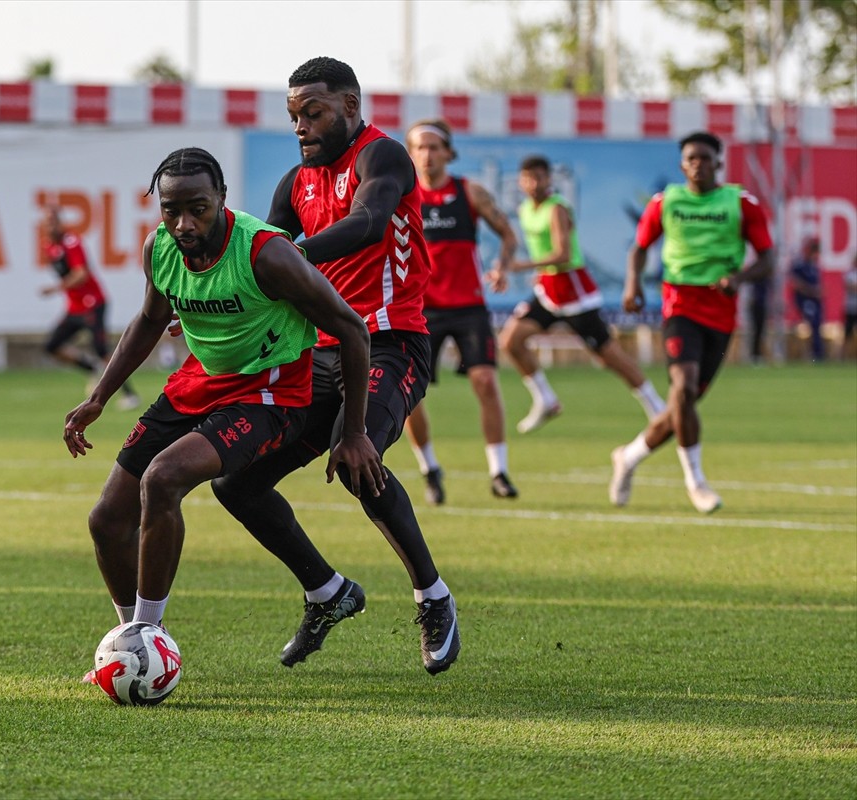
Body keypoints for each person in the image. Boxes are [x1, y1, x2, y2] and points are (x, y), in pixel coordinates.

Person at [63, 148, 379, 656]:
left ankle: (149, 636)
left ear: (222, 199)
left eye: (198, 208)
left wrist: (355, 430)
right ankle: (131, 642)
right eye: (171, 210)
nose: (184, 223)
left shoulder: (268, 254)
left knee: (163, 478)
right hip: (199, 380)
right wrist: (100, 396)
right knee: (106, 520)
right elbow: (149, 319)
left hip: (270, 390)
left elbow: (351, 328)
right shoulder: (160, 248)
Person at [210, 57, 461, 676]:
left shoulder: (384, 158)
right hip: (316, 355)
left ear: (350, 105)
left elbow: (368, 222)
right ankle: (327, 592)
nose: (301, 126)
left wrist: (290, 254)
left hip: (391, 343)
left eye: (314, 112)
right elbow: (254, 257)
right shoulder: (295, 183)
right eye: (294, 115)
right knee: (233, 481)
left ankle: (434, 597)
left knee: (355, 457)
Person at [610, 131, 774, 514]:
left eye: (705, 157)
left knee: (681, 407)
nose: (697, 164)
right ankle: (696, 483)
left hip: (720, 312)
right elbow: (639, 247)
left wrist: (739, 279)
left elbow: (767, 258)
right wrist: (632, 283)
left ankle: (628, 457)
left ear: (719, 162)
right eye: (690, 159)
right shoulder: (667, 201)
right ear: (682, 165)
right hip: (679, 306)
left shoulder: (741, 203)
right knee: (682, 390)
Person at [497, 155, 665, 434]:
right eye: (528, 177)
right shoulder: (525, 209)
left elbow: (562, 254)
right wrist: (504, 267)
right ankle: (545, 399)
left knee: (608, 356)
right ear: (521, 181)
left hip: (574, 292)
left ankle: (656, 406)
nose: (534, 183)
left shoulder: (557, 208)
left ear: (549, 179)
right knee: (511, 341)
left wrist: (520, 266)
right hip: (548, 291)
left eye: (540, 177)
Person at [402, 118, 518, 504]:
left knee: (485, 381)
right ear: (410, 153)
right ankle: (429, 468)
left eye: (434, 147)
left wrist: (501, 266)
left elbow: (508, 234)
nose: (427, 154)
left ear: (449, 153)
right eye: (419, 147)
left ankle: (498, 471)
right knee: (407, 396)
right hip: (419, 310)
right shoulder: (400, 195)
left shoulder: (470, 192)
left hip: (468, 306)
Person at [40, 205, 141, 409]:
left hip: (92, 303)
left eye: (53, 221)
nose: (50, 226)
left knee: (101, 350)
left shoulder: (72, 242)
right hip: (74, 308)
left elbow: (81, 274)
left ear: (60, 222)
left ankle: (130, 395)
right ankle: (91, 368)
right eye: (47, 222)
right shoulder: (50, 246)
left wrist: (56, 288)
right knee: (52, 345)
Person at [788, 237, 825, 362]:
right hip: (805, 300)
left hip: (815, 301)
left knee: (817, 324)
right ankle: (815, 354)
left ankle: (817, 353)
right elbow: (795, 283)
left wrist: (819, 292)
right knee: (813, 322)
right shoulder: (800, 264)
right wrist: (812, 291)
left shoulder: (814, 266)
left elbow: (818, 285)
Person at [745, 275, 771, 364]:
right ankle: (753, 354)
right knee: (754, 331)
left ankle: (757, 354)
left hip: (761, 304)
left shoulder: (764, 278)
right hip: (755, 305)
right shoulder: (755, 277)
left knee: (760, 331)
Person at [844, 254, 857, 358]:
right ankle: (844, 356)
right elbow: (849, 286)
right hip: (851, 308)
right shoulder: (850, 274)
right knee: (847, 333)